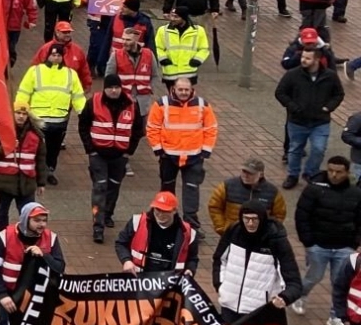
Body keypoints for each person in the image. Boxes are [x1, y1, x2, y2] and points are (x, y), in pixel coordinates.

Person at [112, 190, 202, 325]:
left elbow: (193, 258)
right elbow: (121, 243)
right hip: (139, 288)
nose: (160, 214)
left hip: (166, 293)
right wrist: (126, 260)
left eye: (165, 211)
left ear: (174, 211)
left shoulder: (188, 233)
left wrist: (190, 270)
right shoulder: (138, 222)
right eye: (157, 210)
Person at [292, 155, 361, 325]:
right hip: (318, 246)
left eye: (339, 172)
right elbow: (302, 215)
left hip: (344, 247)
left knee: (339, 282)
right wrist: (308, 242)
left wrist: (356, 243)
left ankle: (335, 316)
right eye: (331, 170)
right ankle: (301, 295)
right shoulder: (314, 190)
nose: (334, 175)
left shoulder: (356, 193)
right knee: (313, 276)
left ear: (346, 173)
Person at [274, 32, 344, 188]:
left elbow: (339, 94)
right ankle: (293, 175)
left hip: (320, 121)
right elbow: (280, 92)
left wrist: (328, 107)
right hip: (297, 121)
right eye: (302, 57)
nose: (303, 60)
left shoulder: (330, 76)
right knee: (295, 150)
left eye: (307, 58)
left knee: (319, 149)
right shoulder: (293, 75)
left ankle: (310, 173)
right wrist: (292, 107)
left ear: (317, 59)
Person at [79, 73, 144, 243]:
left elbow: (138, 129)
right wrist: (90, 150)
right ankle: (98, 226)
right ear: (105, 88)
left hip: (119, 156)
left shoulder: (131, 104)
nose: (114, 91)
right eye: (110, 88)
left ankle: (107, 214)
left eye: (116, 87)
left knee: (114, 187)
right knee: (99, 189)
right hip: (98, 155)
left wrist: (129, 151)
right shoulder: (93, 102)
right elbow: (83, 125)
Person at [147, 76, 217, 221]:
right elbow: (152, 127)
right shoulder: (161, 104)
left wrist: (206, 150)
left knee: (191, 189)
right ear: (174, 89)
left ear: (192, 89)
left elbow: (211, 128)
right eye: (181, 89)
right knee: (167, 189)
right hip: (168, 156)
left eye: (186, 89)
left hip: (194, 156)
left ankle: (191, 222)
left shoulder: (203, 105)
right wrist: (158, 149)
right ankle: (166, 219)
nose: (184, 92)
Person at [15, 46, 85, 185]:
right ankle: (33, 171)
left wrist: (84, 113)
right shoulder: (35, 71)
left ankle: (49, 171)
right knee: (35, 147)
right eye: (53, 55)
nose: (56, 58)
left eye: (59, 55)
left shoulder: (71, 74)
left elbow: (78, 96)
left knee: (54, 149)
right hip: (38, 119)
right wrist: (19, 111)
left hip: (60, 119)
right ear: (47, 56)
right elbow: (24, 92)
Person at [0, 105, 47, 231]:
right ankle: (3, 237)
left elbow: (40, 159)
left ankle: (26, 237)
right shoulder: (0, 131)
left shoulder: (36, 135)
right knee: (2, 212)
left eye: (24, 114)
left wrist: (41, 182)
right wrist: (6, 148)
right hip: (5, 181)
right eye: (18, 113)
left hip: (27, 182)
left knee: (28, 214)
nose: (21, 116)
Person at [207, 157, 286, 236]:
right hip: (232, 235)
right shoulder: (227, 186)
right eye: (244, 171)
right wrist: (222, 228)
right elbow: (214, 206)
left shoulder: (272, 192)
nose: (246, 175)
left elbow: (279, 215)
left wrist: (269, 231)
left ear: (261, 174)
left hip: (260, 237)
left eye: (251, 173)